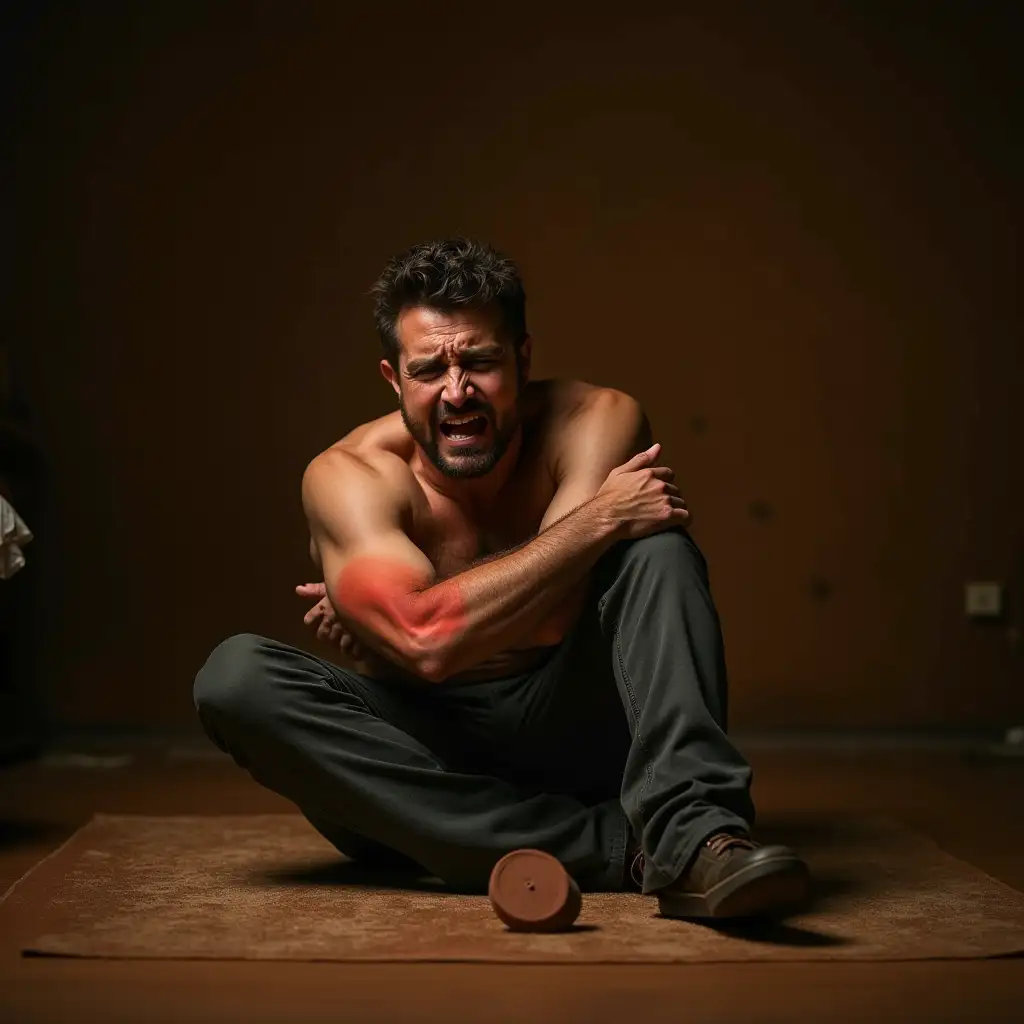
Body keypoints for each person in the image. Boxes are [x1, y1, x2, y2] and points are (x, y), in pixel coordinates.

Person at [193, 238, 811, 919]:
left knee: (656, 549)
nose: (457, 392)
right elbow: (429, 637)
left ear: (522, 357)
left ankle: (694, 836)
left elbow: (543, 616)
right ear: (393, 379)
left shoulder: (597, 420)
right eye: (428, 370)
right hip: (432, 755)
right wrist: (591, 524)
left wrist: (408, 628)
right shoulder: (349, 476)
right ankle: (628, 845)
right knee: (236, 679)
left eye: (480, 363)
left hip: (576, 723)